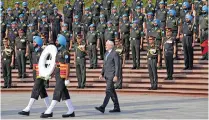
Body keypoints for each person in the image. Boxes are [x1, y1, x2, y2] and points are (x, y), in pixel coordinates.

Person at [41, 34, 75, 118]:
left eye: (57, 41)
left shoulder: (65, 52)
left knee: (57, 91)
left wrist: (67, 77)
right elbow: (56, 64)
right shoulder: (57, 51)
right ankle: (71, 110)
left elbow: (67, 65)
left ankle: (49, 111)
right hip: (57, 74)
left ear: (61, 41)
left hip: (62, 75)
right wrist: (51, 74)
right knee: (64, 93)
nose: (56, 42)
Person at [18, 36, 50, 116]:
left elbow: (47, 63)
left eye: (35, 42)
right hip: (36, 73)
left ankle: (28, 109)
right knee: (42, 92)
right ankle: (50, 109)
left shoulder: (43, 52)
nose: (33, 43)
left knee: (35, 90)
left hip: (41, 74)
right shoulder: (34, 52)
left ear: (38, 43)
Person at [95, 40, 120, 113]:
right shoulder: (106, 53)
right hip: (106, 75)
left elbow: (117, 65)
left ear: (111, 46)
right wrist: (101, 73)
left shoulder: (114, 53)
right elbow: (104, 65)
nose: (105, 46)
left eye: (106, 45)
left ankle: (103, 107)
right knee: (112, 92)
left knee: (108, 91)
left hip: (112, 75)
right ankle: (117, 107)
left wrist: (116, 75)